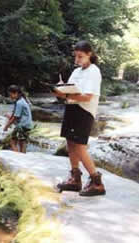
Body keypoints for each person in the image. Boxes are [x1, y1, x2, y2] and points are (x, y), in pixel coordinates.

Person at [53, 40, 106, 196]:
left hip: (84, 112)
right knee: (70, 142)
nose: (77, 60)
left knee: (80, 146)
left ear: (89, 54)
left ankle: (97, 182)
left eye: (80, 57)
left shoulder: (94, 71)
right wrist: (60, 89)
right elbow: (71, 89)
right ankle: (75, 178)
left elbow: (87, 97)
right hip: (72, 108)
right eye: (75, 57)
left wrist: (66, 94)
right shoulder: (77, 72)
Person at [3, 85, 33, 153]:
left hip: (22, 126)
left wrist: (6, 126)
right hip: (27, 125)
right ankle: (22, 157)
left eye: (11, 95)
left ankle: (18, 157)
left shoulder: (19, 103)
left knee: (13, 142)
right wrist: (9, 117)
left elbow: (16, 117)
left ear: (16, 93)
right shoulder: (21, 100)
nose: (10, 97)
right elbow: (15, 114)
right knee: (22, 143)